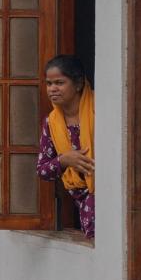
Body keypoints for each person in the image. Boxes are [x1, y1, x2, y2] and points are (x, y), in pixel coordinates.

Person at [36, 55, 95, 239]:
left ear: (77, 84)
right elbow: (42, 170)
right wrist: (64, 160)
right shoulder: (51, 122)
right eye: (49, 83)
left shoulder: (101, 110)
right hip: (84, 203)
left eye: (60, 82)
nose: (53, 89)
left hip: (110, 196)